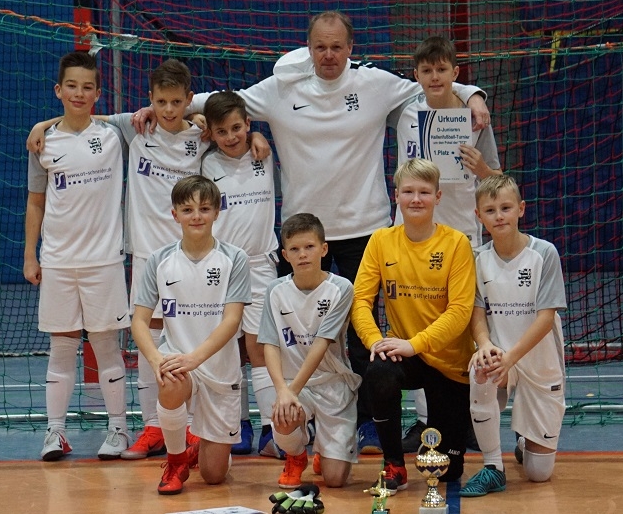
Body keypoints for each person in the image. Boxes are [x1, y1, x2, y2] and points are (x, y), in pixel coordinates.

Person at [133, 11, 490, 453]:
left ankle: (366, 423)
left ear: (350, 49)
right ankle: (294, 421)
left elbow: (431, 84)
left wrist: (473, 94)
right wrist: (165, 109)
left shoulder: (375, 84)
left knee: (360, 335)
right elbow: (224, 102)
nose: (329, 55)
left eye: (337, 47)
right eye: (320, 47)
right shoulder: (280, 89)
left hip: (364, 230)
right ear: (308, 48)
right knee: (297, 335)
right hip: (302, 235)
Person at [25, 62, 269, 460]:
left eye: (176, 102)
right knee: (150, 341)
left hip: (191, 255)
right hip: (145, 253)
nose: (168, 110)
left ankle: (192, 428)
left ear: (189, 100)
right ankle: (154, 426)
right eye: (161, 102)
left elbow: (233, 139)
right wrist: (42, 124)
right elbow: (87, 116)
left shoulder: (202, 138)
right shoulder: (134, 128)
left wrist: (255, 135)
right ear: (150, 100)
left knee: (193, 338)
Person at [392, 36, 502, 453]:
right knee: (417, 325)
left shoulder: (475, 120)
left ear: (455, 73)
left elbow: (498, 181)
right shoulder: (404, 112)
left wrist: (483, 168)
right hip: (412, 237)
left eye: (442, 70)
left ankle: (467, 416)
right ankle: (425, 421)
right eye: (427, 70)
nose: (434, 77)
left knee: (466, 326)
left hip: (462, 237)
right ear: (416, 75)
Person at [24, 51, 132, 461]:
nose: (79, 93)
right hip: (57, 261)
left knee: (106, 348)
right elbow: (36, 202)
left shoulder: (115, 133)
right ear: (58, 89)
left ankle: (118, 430)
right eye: (71, 86)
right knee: (62, 348)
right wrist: (30, 256)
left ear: (99, 94)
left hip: (103, 261)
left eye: (88, 87)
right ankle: (55, 432)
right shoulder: (43, 143)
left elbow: (164, 112)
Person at [351, 158, 476, 492]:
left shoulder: (456, 244)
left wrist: (414, 343)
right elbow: (360, 300)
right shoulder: (381, 241)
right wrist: (374, 340)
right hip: (405, 354)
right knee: (379, 369)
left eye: (424, 192)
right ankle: (393, 463)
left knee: (446, 472)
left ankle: (436, 445)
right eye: (408, 192)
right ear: (396, 196)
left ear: (438, 197)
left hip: (448, 362)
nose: (416, 199)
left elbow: (460, 311)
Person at [131, 175, 251, 495]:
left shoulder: (234, 259)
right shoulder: (159, 260)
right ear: (175, 215)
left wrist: (195, 358)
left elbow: (232, 320)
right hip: (177, 357)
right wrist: (157, 360)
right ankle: (176, 461)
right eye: (187, 209)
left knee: (213, 476)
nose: (196, 216)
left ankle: (203, 447)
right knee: (170, 380)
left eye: (204, 208)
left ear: (217, 212)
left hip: (219, 368)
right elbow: (139, 321)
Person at [460, 174, 567, 497]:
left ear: (521, 209)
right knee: (480, 371)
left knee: (538, 474)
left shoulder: (544, 253)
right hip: (501, 355)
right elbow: (477, 313)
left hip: (539, 361)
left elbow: (546, 318)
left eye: (506, 208)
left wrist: (512, 358)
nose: (499, 216)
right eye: (490, 210)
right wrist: (485, 345)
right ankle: (493, 467)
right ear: (478, 216)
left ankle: (525, 440)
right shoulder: (477, 259)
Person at [200, 91, 282, 457]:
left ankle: (271, 428)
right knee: (228, 348)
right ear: (211, 133)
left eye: (237, 128)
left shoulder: (264, 153)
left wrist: (258, 136)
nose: (231, 136)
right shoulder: (206, 164)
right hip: (221, 266)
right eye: (222, 131)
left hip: (261, 265)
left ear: (248, 124)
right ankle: (236, 425)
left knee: (260, 346)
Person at [259, 213, 360, 489]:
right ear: (285, 255)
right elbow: (270, 343)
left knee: (335, 480)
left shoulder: (341, 288)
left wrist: (290, 392)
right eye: (294, 249)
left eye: (309, 247)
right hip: (294, 384)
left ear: (324, 249)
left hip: (333, 383)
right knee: (284, 416)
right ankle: (296, 455)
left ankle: (326, 453)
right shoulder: (275, 290)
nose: (302, 254)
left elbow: (321, 343)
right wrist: (284, 390)